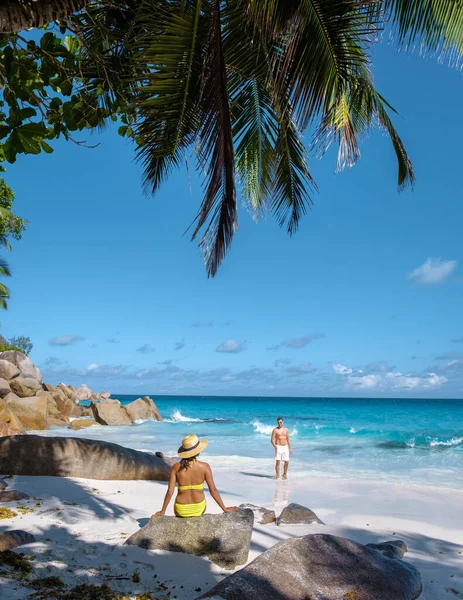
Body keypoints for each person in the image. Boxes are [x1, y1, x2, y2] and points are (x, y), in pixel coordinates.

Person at [155, 434, 238, 518]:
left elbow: (170, 491)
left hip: (181, 510)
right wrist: (224, 509)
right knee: (202, 503)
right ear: (197, 451)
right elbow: (213, 491)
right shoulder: (205, 467)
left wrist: (163, 511)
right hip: (198, 508)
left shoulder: (176, 467)